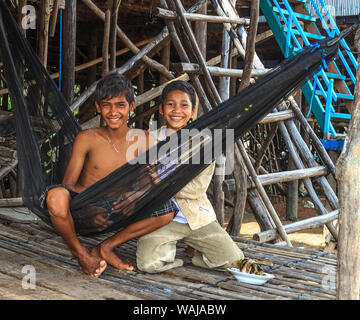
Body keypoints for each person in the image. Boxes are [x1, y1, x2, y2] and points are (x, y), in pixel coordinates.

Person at [43, 73, 177, 277]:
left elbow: (147, 183)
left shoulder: (144, 140)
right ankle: (81, 255)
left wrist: (134, 197)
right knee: (55, 197)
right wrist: (89, 208)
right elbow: (68, 185)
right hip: (85, 208)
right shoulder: (87, 138)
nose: (113, 112)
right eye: (107, 105)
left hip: (119, 208)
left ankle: (105, 247)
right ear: (98, 107)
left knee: (166, 210)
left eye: (120, 105)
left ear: (131, 107)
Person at [136, 80, 244, 273]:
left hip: (196, 217)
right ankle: (172, 254)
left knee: (234, 259)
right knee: (147, 264)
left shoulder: (204, 144)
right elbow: (140, 180)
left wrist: (157, 181)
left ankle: (196, 257)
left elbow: (196, 189)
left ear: (193, 111)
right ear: (161, 109)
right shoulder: (150, 140)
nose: (177, 110)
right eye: (171, 104)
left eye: (184, 105)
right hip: (160, 218)